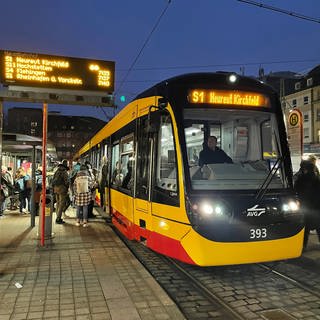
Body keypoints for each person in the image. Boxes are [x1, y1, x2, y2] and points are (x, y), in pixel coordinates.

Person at [294, 160, 320, 248]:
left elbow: (296, 189)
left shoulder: (301, 178)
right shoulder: (317, 179)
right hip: (317, 208)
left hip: (305, 207)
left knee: (305, 227)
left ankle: (303, 245)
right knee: (318, 227)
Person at [51, 160, 69, 224]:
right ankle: (58, 218)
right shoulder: (64, 172)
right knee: (62, 204)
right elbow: (67, 181)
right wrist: (67, 188)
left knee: (58, 203)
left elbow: (53, 180)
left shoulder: (57, 171)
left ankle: (57, 216)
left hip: (56, 189)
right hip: (62, 189)